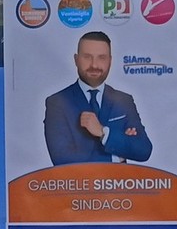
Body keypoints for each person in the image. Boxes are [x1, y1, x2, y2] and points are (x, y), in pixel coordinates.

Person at [43, 31, 152, 166]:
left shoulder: (124, 100)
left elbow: (144, 150)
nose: (94, 65)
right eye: (87, 57)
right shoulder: (57, 102)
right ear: (76, 60)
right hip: (78, 181)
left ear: (110, 61)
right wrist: (117, 155)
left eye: (102, 57)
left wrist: (103, 132)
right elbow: (62, 159)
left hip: (119, 181)